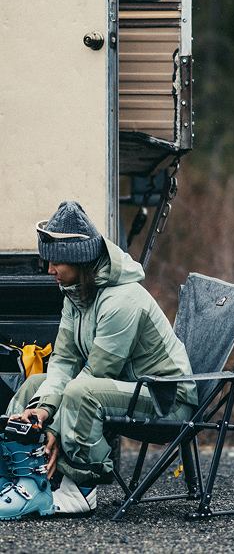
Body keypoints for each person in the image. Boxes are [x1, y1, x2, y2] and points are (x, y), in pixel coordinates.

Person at [0, 201, 197, 519]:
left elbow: (96, 374)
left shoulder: (122, 299)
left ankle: (81, 489)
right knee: (36, 384)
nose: (49, 270)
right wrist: (43, 409)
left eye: (56, 262)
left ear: (80, 260)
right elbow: (63, 361)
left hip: (166, 399)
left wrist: (53, 431)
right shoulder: (75, 293)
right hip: (122, 391)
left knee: (82, 392)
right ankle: (22, 476)